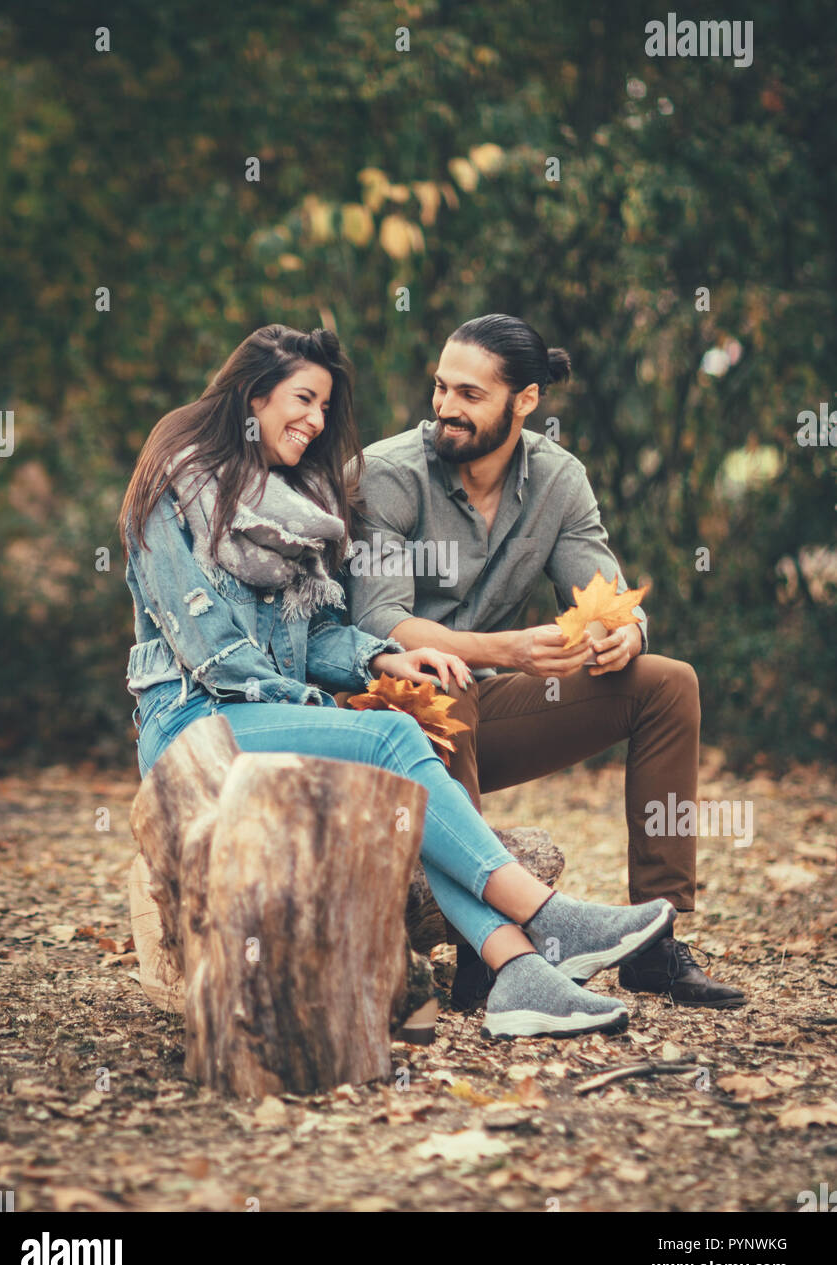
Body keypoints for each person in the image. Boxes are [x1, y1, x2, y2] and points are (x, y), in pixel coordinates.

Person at [118, 322, 676, 1041]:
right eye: (303, 400)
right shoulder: (174, 487)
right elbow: (212, 650)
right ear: (254, 397)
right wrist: (325, 708)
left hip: (270, 721)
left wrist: (381, 658)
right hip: (191, 725)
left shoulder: (297, 504)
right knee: (388, 734)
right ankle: (545, 916)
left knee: (399, 757)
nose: (317, 422)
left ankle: (516, 971)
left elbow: (315, 631)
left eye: (325, 407)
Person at [346, 313, 745, 1011]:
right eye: (441, 388)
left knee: (668, 685)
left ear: (524, 400)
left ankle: (656, 941)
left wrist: (626, 631)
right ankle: (493, 952)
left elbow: (605, 594)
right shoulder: (388, 475)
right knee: (445, 679)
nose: (445, 407)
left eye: (470, 394)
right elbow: (378, 621)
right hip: (390, 725)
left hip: (485, 717)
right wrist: (503, 649)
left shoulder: (559, 479)